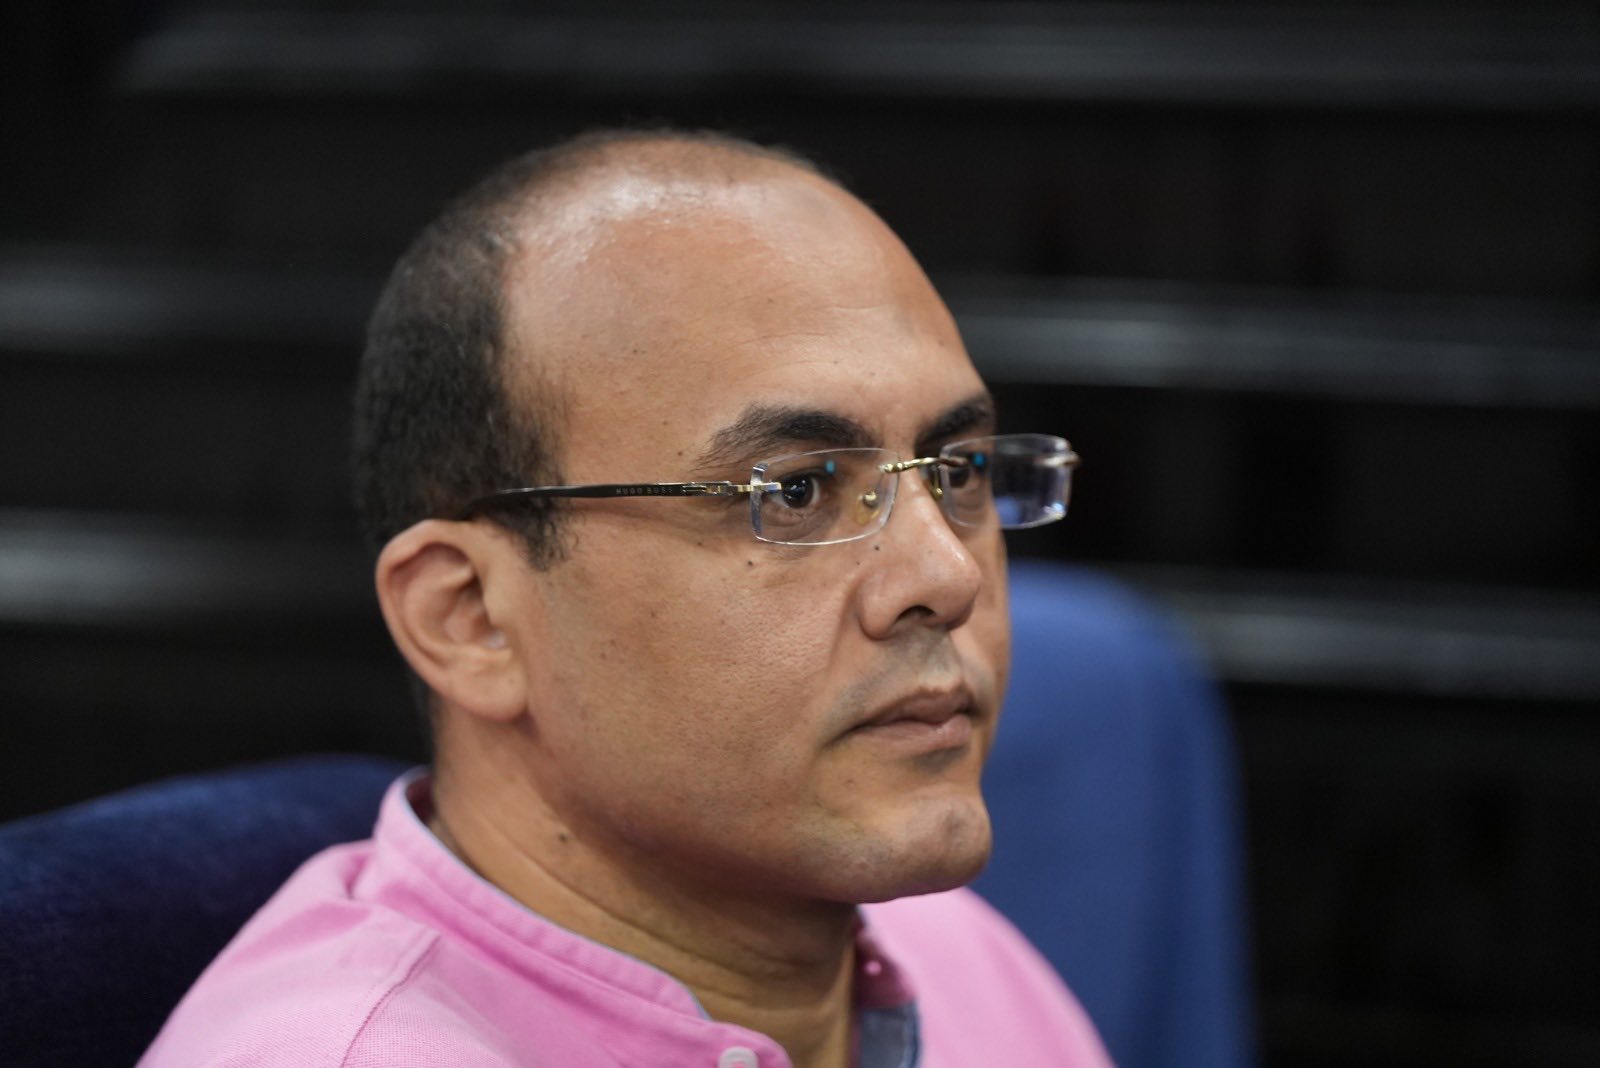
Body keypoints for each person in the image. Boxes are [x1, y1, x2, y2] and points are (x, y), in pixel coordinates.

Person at [139, 128, 1108, 1068]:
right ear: (469, 617)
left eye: (958, 471)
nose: (948, 575)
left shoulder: (957, 959)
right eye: (794, 492)